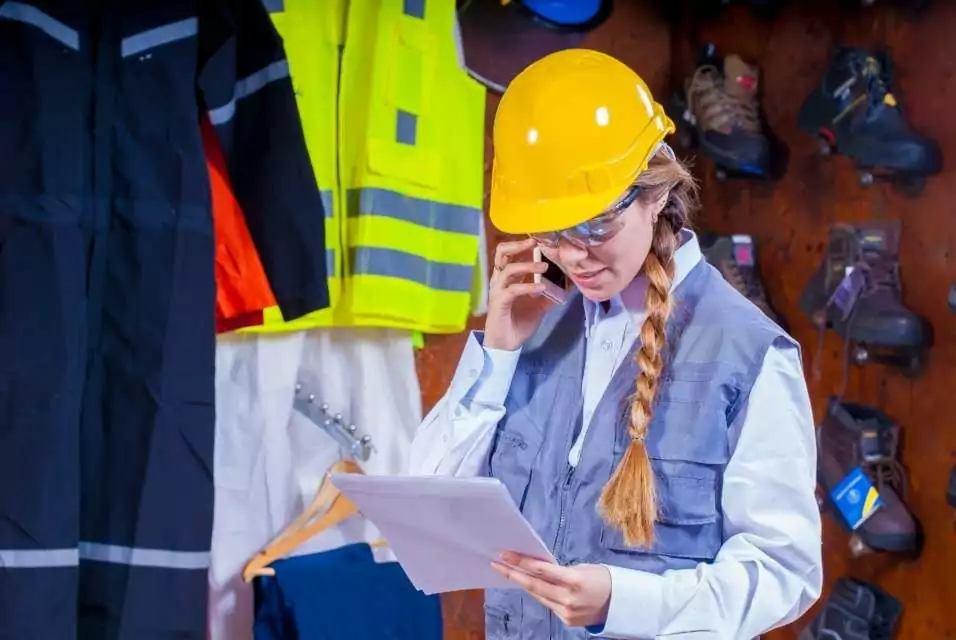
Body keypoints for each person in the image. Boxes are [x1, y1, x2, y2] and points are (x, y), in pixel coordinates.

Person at [408, 49, 823, 640]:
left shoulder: (749, 355)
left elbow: (784, 573)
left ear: (656, 193)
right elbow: (429, 511)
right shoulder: (531, 328)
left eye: (595, 225)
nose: (573, 255)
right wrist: (497, 354)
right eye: (551, 232)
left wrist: (623, 603)